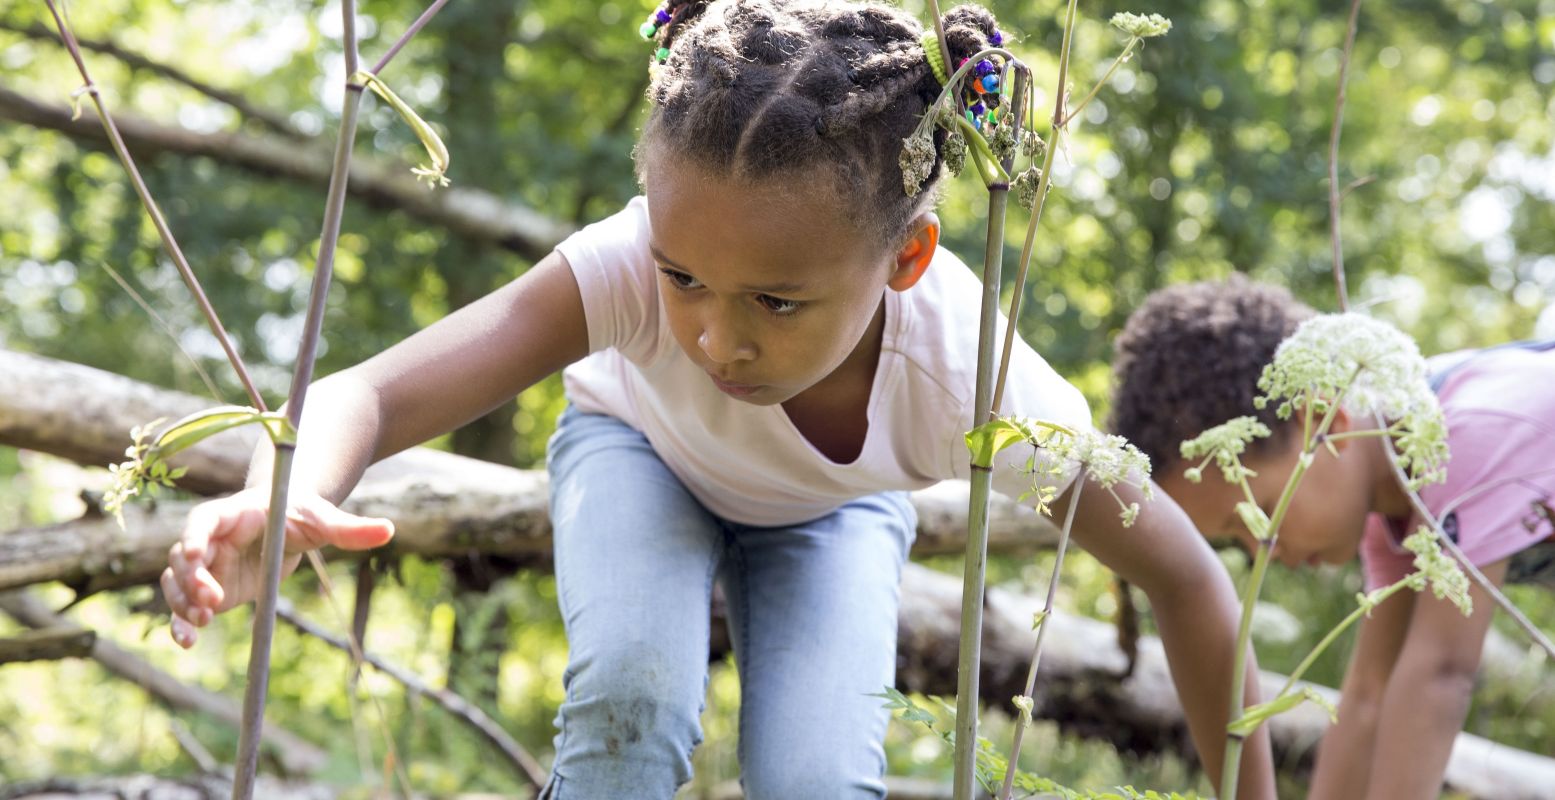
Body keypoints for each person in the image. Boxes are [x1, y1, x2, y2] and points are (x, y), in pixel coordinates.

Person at [161, 2, 1274, 797]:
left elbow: (1190, 584)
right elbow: (372, 390)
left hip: (836, 515)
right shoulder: (622, 264)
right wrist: (282, 486)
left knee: (817, 776)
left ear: (908, 257)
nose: (714, 336)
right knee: (630, 698)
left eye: (778, 302)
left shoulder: (978, 385)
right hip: (637, 452)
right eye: (683, 276)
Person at [1110, 276, 1555, 800]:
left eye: (1263, 512)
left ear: (1323, 422)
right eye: (1239, 538)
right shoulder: (1389, 501)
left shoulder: (1462, 435)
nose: (1263, 550)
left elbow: (1439, 674)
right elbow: (1370, 692)